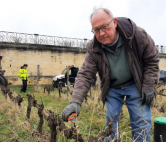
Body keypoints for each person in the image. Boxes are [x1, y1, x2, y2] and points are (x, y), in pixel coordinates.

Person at [61, 7, 159, 142]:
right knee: (110, 125)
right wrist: (75, 102)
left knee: (141, 123)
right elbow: (85, 74)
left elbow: (152, 60)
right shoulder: (93, 47)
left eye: (104, 27)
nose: (101, 33)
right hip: (112, 87)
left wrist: (148, 86)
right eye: (96, 30)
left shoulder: (137, 35)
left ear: (114, 22)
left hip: (136, 84)